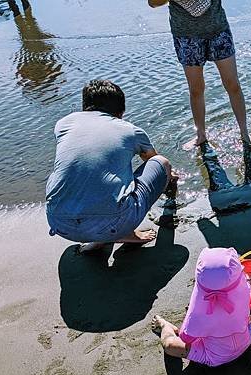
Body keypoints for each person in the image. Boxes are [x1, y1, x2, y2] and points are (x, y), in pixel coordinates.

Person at [46, 79, 175, 251]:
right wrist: (170, 178)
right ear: (121, 112)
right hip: (114, 223)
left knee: (83, 174)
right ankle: (123, 233)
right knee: (162, 163)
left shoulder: (63, 124)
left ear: (85, 106)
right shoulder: (130, 130)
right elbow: (153, 160)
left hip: (59, 223)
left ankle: (99, 238)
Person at [148, 0, 251, 150]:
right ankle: (200, 135)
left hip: (218, 30)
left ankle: (245, 134)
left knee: (233, 84)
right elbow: (152, 3)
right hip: (186, 36)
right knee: (196, 89)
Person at [151, 247, 251, 366]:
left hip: (216, 357)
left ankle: (164, 326)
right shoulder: (246, 290)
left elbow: (186, 338)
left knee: (170, 346)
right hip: (246, 342)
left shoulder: (198, 313)